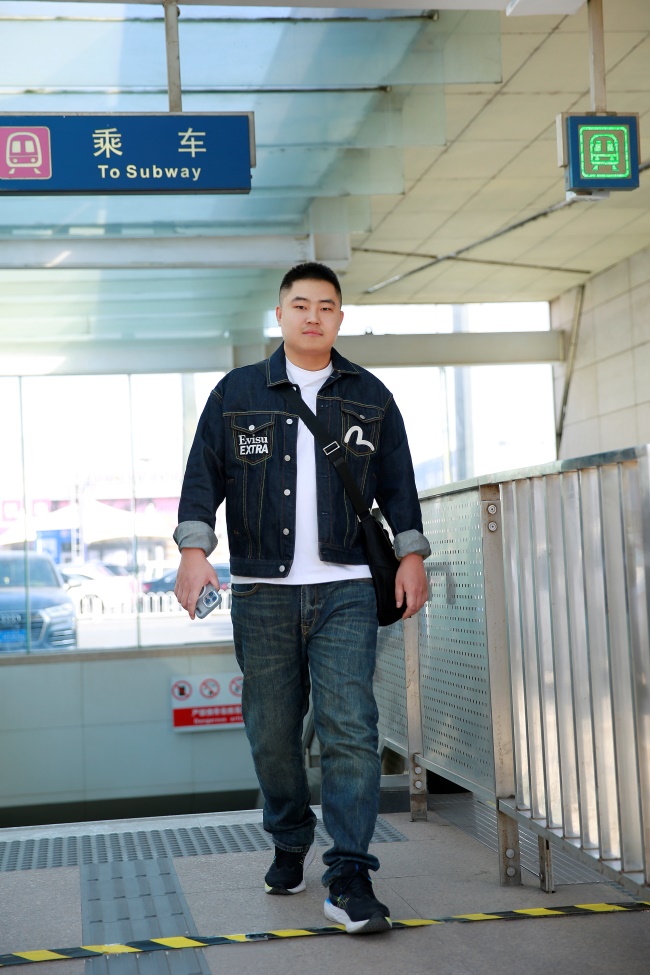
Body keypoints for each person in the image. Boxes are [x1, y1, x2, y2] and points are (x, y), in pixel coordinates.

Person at [174, 262, 430, 935]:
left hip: (348, 586)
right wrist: (194, 550)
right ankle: (290, 836)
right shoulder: (236, 393)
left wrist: (412, 555)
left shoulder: (370, 395)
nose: (313, 316)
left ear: (340, 317)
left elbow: (398, 482)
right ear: (281, 314)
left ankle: (349, 874)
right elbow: (203, 475)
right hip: (263, 591)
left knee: (351, 726)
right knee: (272, 733)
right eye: (301, 305)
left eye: (326, 306)